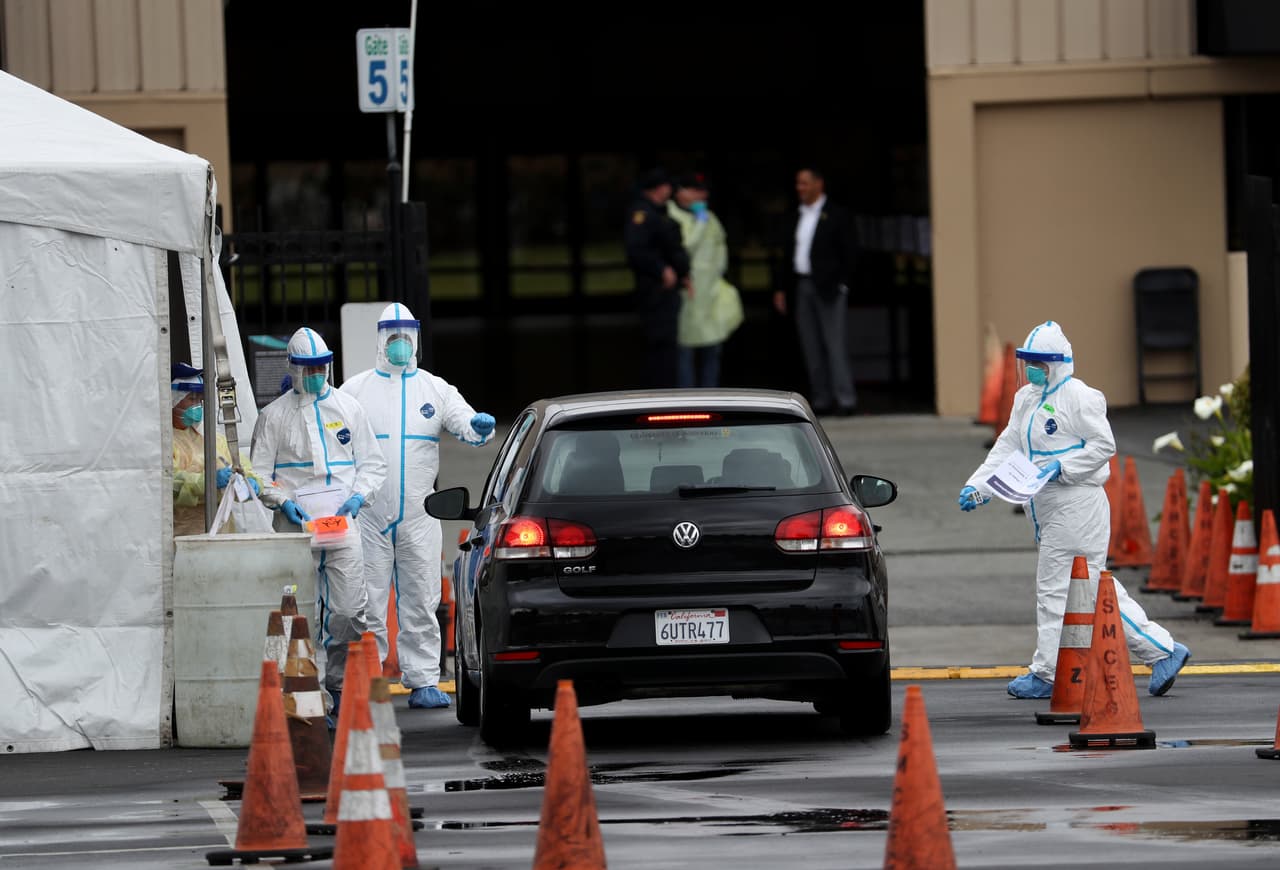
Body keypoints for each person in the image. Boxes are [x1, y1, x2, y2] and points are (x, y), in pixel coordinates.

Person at [958, 320, 1192, 699]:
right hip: (1048, 506)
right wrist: (979, 486)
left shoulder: (1080, 397)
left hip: (1076, 504)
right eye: (1028, 362)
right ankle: (1163, 650)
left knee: (1057, 588)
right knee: (1090, 588)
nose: (1032, 370)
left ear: (1057, 364)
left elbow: (1103, 445)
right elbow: (1007, 446)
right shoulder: (1026, 398)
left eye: (1039, 363)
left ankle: (1049, 672)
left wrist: (1062, 466)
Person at [341, 303, 496, 709]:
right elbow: (330, 429)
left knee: (422, 598)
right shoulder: (355, 391)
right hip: (369, 514)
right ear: (381, 340)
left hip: (419, 514)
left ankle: (424, 679)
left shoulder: (435, 389)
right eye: (392, 337)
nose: (399, 345)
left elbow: (464, 421)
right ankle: (368, 680)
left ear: (415, 339)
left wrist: (478, 426)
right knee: (367, 602)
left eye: (405, 337)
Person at [251, 327, 387, 720]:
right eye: (307, 368)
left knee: (349, 610)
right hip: (296, 530)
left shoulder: (348, 408)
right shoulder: (273, 416)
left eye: (320, 367)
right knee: (299, 616)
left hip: (341, 525)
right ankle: (310, 696)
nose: (315, 375)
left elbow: (372, 464)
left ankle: (338, 683)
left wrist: (359, 496)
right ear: (293, 368)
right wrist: (282, 502)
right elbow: (258, 473)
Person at [772, 167, 857, 416]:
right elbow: (785, 254)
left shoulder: (838, 215)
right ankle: (822, 399)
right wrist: (780, 288)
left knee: (834, 344)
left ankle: (845, 399)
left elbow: (851, 252)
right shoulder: (796, 215)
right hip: (802, 285)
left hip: (829, 287)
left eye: (805, 183)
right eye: (798, 183)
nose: (800, 188)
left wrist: (842, 283)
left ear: (819, 184)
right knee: (811, 345)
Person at [666, 173, 742, 388]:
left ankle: (711, 395)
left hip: (711, 291)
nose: (702, 195)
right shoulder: (671, 216)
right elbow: (686, 247)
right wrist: (700, 224)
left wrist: (718, 274)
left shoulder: (709, 216)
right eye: (696, 190)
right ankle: (687, 399)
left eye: (703, 191)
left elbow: (720, 244)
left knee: (713, 347)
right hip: (687, 292)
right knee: (685, 348)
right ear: (681, 192)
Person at [170, 363, 263, 537]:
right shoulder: (163, 442)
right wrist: (206, 482)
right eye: (191, 399)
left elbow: (242, 465)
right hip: (185, 536)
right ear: (173, 400)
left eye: (200, 400)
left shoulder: (212, 438)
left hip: (223, 534)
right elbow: (169, 483)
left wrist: (253, 482)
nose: (197, 406)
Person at [625, 168, 691, 389]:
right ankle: (657, 392)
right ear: (660, 188)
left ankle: (665, 389)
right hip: (655, 291)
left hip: (667, 291)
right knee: (659, 345)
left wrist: (682, 274)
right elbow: (636, 249)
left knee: (667, 345)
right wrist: (661, 269)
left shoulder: (659, 212)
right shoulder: (643, 213)